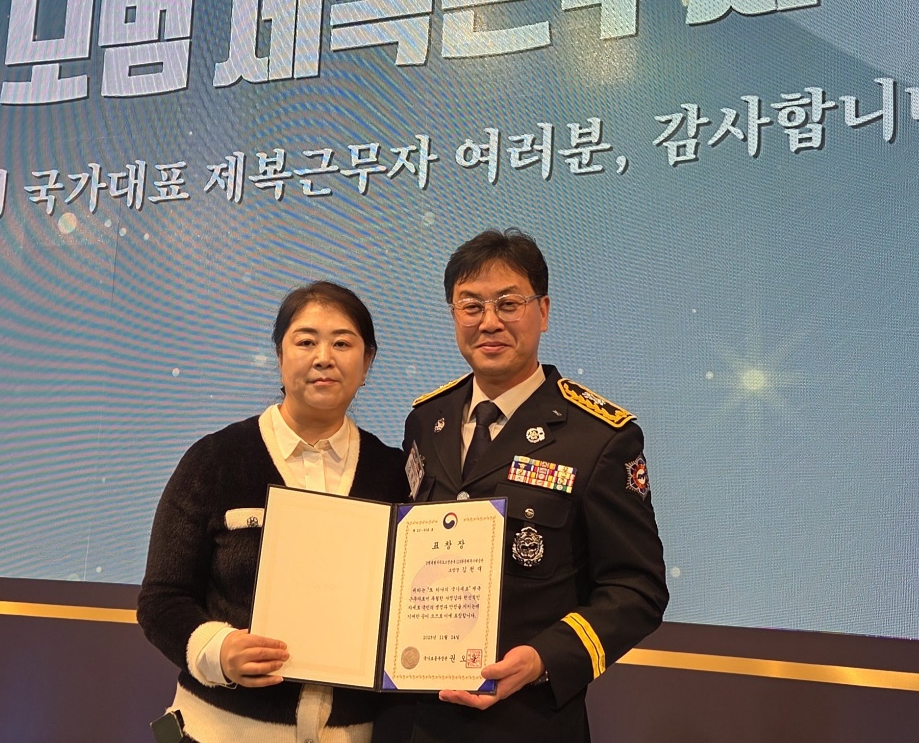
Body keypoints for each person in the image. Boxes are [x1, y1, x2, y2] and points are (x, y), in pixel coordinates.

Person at [375, 230, 668, 743]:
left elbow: (636, 588)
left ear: (543, 311)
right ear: (454, 315)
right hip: (415, 717)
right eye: (471, 306)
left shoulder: (598, 437)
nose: (489, 321)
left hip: (528, 720)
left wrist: (543, 658)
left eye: (508, 303)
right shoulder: (425, 420)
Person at [137, 281, 409, 743]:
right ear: (280, 356)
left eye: (343, 343)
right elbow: (162, 599)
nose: (324, 357)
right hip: (219, 732)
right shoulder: (215, 459)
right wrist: (218, 650)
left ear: (367, 363)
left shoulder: (394, 474)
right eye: (305, 341)